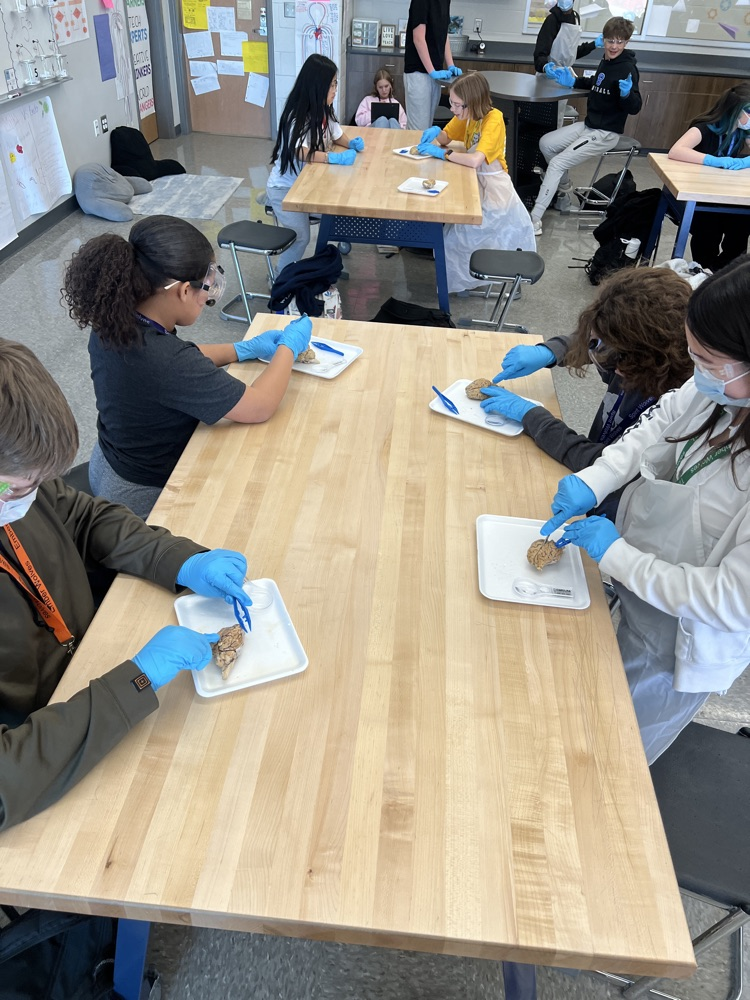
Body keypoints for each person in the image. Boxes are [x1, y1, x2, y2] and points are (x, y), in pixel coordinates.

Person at [0, 338, 253, 830]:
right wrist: (137, 681)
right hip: (46, 747)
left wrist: (180, 560)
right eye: (21, 487)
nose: (31, 497)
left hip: (87, 667)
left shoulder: (17, 485)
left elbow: (82, 515)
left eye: (39, 483)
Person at [539, 255, 750, 764]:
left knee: (614, 756)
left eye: (708, 361)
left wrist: (617, 556)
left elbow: (730, 600)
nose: (696, 373)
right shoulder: (719, 389)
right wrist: (594, 480)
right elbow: (657, 424)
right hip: (639, 584)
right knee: (589, 707)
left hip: (681, 640)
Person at [62, 215, 312, 520]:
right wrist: (289, 348)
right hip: (141, 496)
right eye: (206, 288)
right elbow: (260, 406)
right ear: (182, 291)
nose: (208, 296)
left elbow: (179, 359)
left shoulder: (115, 321)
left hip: (108, 465)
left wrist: (240, 349)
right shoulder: (166, 361)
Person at [479, 268, 693, 481]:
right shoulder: (635, 359)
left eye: (618, 357)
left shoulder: (678, 411)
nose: (612, 367)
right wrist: (553, 351)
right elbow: (600, 341)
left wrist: (534, 417)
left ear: (653, 358)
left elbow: (604, 465)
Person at [416, 72, 536, 295]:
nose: (452, 109)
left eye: (456, 104)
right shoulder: (468, 115)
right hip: (476, 184)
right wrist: (435, 133)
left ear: (472, 102)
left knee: (464, 238)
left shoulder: (493, 119)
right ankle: (463, 281)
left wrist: (444, 154)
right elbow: (446, 136)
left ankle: (467, 283)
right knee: (455, 236)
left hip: (494, 191)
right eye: (451, 103)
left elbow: (474, 160)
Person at [529, 16, 641, 236]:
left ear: (626, 42)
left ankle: (534, 219)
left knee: (557, 163)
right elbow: (595, 83)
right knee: (546, 143)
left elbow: (635, 106)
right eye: (610, 40)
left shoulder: (627, 68)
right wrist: (574, 81)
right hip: (590, 125)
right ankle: (564, 185)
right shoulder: (606, 61)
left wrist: (627, 94)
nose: (614, 46)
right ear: (604, 39)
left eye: (619, 42)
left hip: (605, 133)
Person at [267, 54, 362, 272]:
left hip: (309, 186)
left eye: (336, 84)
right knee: (301, 237)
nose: (335, 90)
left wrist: (352, 144)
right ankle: (281, 280)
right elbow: (300, 151)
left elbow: (337, 134)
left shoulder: (324, 110)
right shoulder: (297, 117)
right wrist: (331, 158)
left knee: (338, 213)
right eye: (332, 85)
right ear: (317, 86)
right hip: (285, 191)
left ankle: (321, 267)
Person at [668, 83, 750, 272]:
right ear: (735, 111)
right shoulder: (705, 128)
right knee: (708, 231)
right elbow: (676, 151)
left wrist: (745, 162)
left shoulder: (742, 131)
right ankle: (705, 269)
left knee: (742, 223)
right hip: (701, 196)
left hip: (728, 195)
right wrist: (713, 160)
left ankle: (724, 271)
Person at [534, 0, 603, 129]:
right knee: (541, 121)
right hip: (547, 78)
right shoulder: (551, 20)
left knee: (557, 119)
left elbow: (571, 53)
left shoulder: (575, 18)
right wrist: (545, 67)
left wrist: (593, 45)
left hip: (564, 78)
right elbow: (539, 54)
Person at [403, 0, 461, 132]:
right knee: (418, 130)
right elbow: (418, 38)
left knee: (427, 126)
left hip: (435, 74)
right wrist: (431, 71)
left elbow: (443, 34)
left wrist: (450, 64)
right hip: (418, 73)